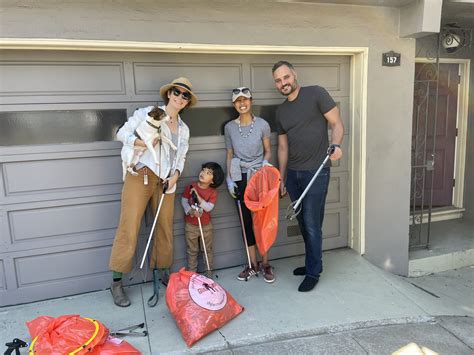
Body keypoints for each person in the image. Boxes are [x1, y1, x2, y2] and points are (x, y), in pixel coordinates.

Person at [109, 77, 197, 307]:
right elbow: (121, 134)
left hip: (166, 181)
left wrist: (176, 174)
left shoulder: (185, 129)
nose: (180, 97)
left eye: (185, 95)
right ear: (169, 94)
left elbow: (182, 155)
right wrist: (139, 144)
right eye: (176, 92)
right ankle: (117, 282)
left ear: (188, 101)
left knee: (165, 227)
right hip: (140, 175)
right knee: (129, 225)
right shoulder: (148, 113)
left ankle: (162, 272)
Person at [272, 61, 344, 292]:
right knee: (303, 223)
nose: (283, 83)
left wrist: (336, 145)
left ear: (294, 75)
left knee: (312, 224)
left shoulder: (316, 94)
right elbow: (282, 148)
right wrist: (282, 178)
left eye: (286, 77)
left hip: (316, 171)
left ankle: (313, 272)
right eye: (278, 80)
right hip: (293, 174)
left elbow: (337, 123)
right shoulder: (281, 111)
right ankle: (312, 263)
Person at [224, 87, 275, 283]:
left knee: (262, 220)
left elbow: (268, 151)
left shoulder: (262, 124)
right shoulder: (229, 127)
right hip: (240, 176)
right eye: (238, 101)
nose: (242, 103)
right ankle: (252, 264)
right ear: (234, 104)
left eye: (245, 99)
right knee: (246, 222)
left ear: (251, 101)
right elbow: (229, 154)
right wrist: (230, 179)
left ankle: (266, 263)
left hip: (259, 176)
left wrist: (265, 163)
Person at [181, 162, 224, 276]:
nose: (203, 173)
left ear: (213, 181)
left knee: (207, 249)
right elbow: (184, 200)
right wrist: (189, 211)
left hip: (206, 226)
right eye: (203, 170)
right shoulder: (190, 187)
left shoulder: (212, 192)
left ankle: (208, 273)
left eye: (208, 173)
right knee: (192, 250)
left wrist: (198, 197)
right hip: (191, 225)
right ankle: (192, 274)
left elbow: (209, 208)